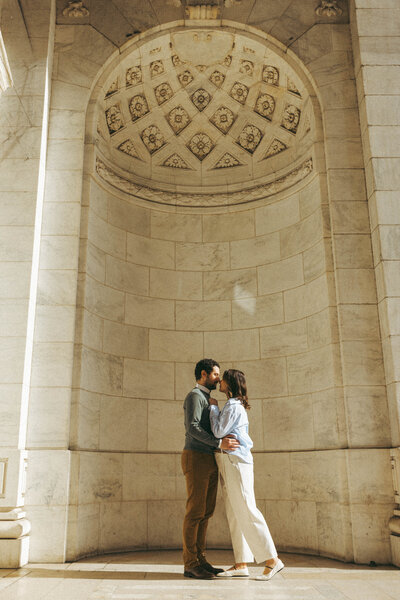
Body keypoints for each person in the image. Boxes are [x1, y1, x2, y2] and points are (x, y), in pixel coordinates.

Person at [209, 368, 284, 581]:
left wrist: (213, 409)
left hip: (237, 462)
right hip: (228, 461)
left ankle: (272, 560)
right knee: (235, 512)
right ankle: (241, 563)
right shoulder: (233, 405)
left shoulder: (233, 406)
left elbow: (218, 432)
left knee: (248, 509)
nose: (220, 381)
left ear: (229, 384)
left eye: (222, 379)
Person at [182, 358, 240, 580]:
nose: (219, 378)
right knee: (195, 512)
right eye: (216, 374)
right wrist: (219, 444)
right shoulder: (195, 396)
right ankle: (190, 563)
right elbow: (193, 428)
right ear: (205, 374)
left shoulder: (207, 398)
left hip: (208, 458)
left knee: (206, 512)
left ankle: (200, 560)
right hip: (196, 457)